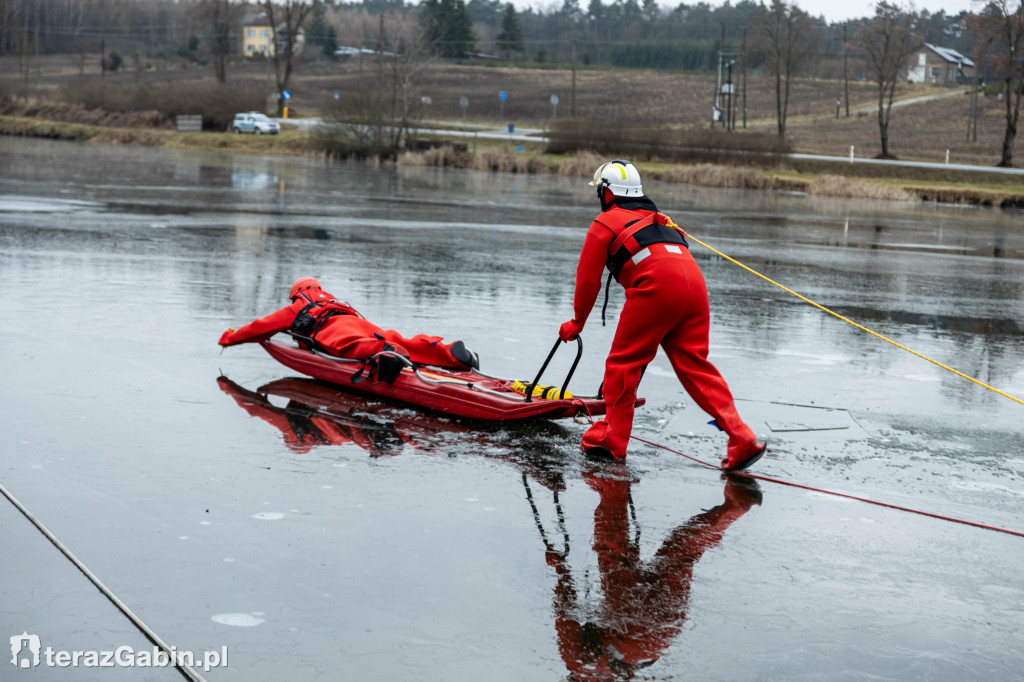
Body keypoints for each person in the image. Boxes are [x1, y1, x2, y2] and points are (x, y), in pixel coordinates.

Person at [559, 160, 766, 470]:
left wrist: (577, 322)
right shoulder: (662, 220)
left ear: (607, 193)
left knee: (623, 363)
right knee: (696, 368)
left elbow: (588, 279)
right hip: (694, 288)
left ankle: (611, 439)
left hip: (656, 287)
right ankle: (741, 436)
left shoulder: (605, 222)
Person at [218, 277, 479, 381]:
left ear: (296, 293)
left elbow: (258, 328)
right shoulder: (335, 300)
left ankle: (385, 352)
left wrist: (229, 338)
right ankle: (449, 354)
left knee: (351, 345)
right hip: (360, 322)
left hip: (331, 329)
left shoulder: (297, 307)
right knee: (394, 337)